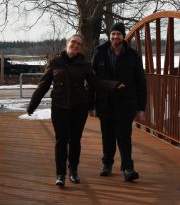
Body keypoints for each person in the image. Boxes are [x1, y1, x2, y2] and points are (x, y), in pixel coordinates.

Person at [27, 34, 120, 187]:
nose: (76, 45)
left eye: (79, 44)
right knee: (61, 140)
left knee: (75, 140)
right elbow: (43, 85)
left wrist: (113, 85)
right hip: (59, 107)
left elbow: (95, 83)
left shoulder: (84, 64)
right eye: (73, 42)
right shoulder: (56, 62)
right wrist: (32, 105)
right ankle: (60, 174)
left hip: (79, 107)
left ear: (81, 47)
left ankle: (74, 171)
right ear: (67, 43)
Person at [91, 22, 147, 182]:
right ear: (110, 35)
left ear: (124, 37)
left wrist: (141, 105)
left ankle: (128, 168)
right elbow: (92, 80)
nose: (115, 37)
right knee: (107, 136)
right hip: (104, 102)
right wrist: (90, 104)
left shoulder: (134, 55)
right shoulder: (99, 52)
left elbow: (141, 81)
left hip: (126, 103)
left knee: (124, 137)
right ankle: (107, 164)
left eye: (119, 34)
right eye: (113, 34)